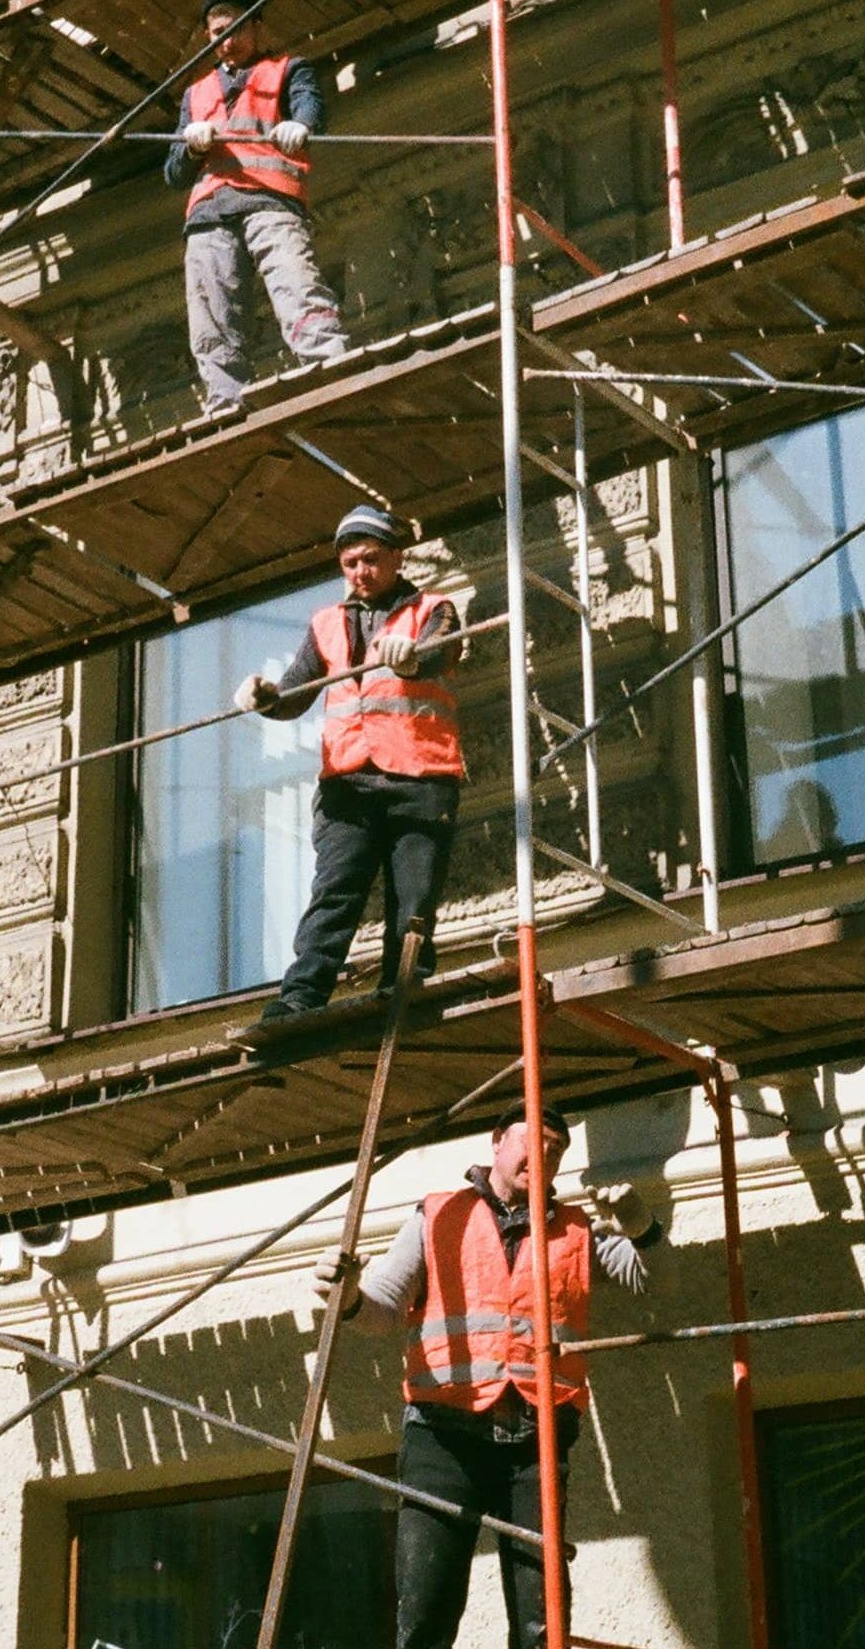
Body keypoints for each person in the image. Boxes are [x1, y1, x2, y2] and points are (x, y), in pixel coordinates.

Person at [313, 1102, 661, 1649]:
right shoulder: (437, 1216)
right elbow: (382, 1307)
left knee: (541, 1617)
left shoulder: (576, 1231)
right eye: (533, 1141)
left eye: (557, 1150)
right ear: (497, 1141)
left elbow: (651, 1279)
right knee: (426, 1608)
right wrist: (350, 1295)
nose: (543, 1155)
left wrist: (643, 1228)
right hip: (443, 1435)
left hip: (534, 1436)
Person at [234, 504, 461, 1020]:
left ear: (398, 558)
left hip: (420, 776)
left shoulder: (434, 609)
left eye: (372, 559)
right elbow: (296, 693)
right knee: (334, 893)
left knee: (415, 899)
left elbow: (439, 652)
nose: (361, 572)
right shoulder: (326, 624)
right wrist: (266, 696)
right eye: (350, 562)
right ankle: (300, 997)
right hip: (349, 781)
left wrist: (412, 654)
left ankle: (402, 988)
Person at [167, 0, 350, 418]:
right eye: (217, 34)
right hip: (211, 211)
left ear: (257, 27)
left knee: (294, 281)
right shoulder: (196, 93)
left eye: (236, 29)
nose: (227, 42)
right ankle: (225, 398)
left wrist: (300, 125)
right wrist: (191, 147)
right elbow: (174, 172)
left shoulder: (288, 69)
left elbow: (311, 109)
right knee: (213, 311)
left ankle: (326, 358)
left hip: (270, 200)